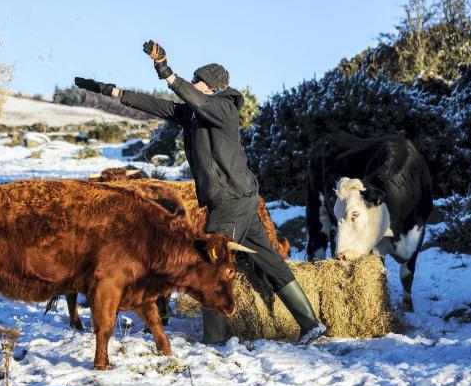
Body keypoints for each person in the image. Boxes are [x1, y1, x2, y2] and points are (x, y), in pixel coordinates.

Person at [74, 40, 327, 345]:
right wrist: (114, 92)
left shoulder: (223, 107)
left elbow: (193, 98)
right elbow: (157, 105)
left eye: (197, 81)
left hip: (229, 200)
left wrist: (164, 69)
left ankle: (215, 338)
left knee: (212, 264)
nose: (192, 84)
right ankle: (310, 324)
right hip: (239, 200)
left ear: (209, 86)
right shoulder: (195, 113)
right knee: (271, 261)